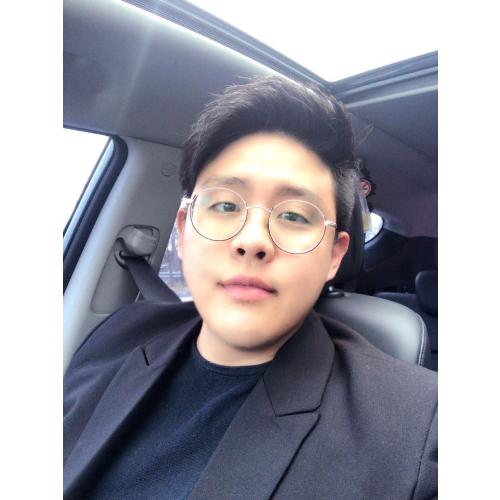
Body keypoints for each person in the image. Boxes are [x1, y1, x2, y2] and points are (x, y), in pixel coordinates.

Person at [64, 76, 437, 499]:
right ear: (183, 232)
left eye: (294, 216)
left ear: (334, 256)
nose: (253, 240)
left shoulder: (419, 430)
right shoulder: (117, 336)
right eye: (225, 205)